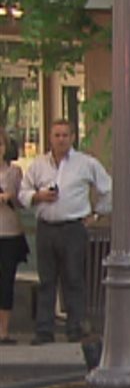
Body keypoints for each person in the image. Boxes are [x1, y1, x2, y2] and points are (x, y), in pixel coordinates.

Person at [17, 119, 111, 345]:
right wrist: (38, 196)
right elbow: (22, 193)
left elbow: (108, 189)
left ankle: (75, 328)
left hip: (73, 227)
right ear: (50, 137)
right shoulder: (39, 165)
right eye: (57, 135)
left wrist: (97, 214)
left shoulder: (86, 164)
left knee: (73, 278)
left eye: (65, 135)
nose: (61, 139)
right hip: (46, 227)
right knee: (47, 280)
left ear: (72, 138)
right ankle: (44, 330)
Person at [0, 127, 29, 345]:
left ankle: (4, 331)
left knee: (6, 281)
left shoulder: (14, 172)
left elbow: (24, 201)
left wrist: (11, 196)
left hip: (9, 232)